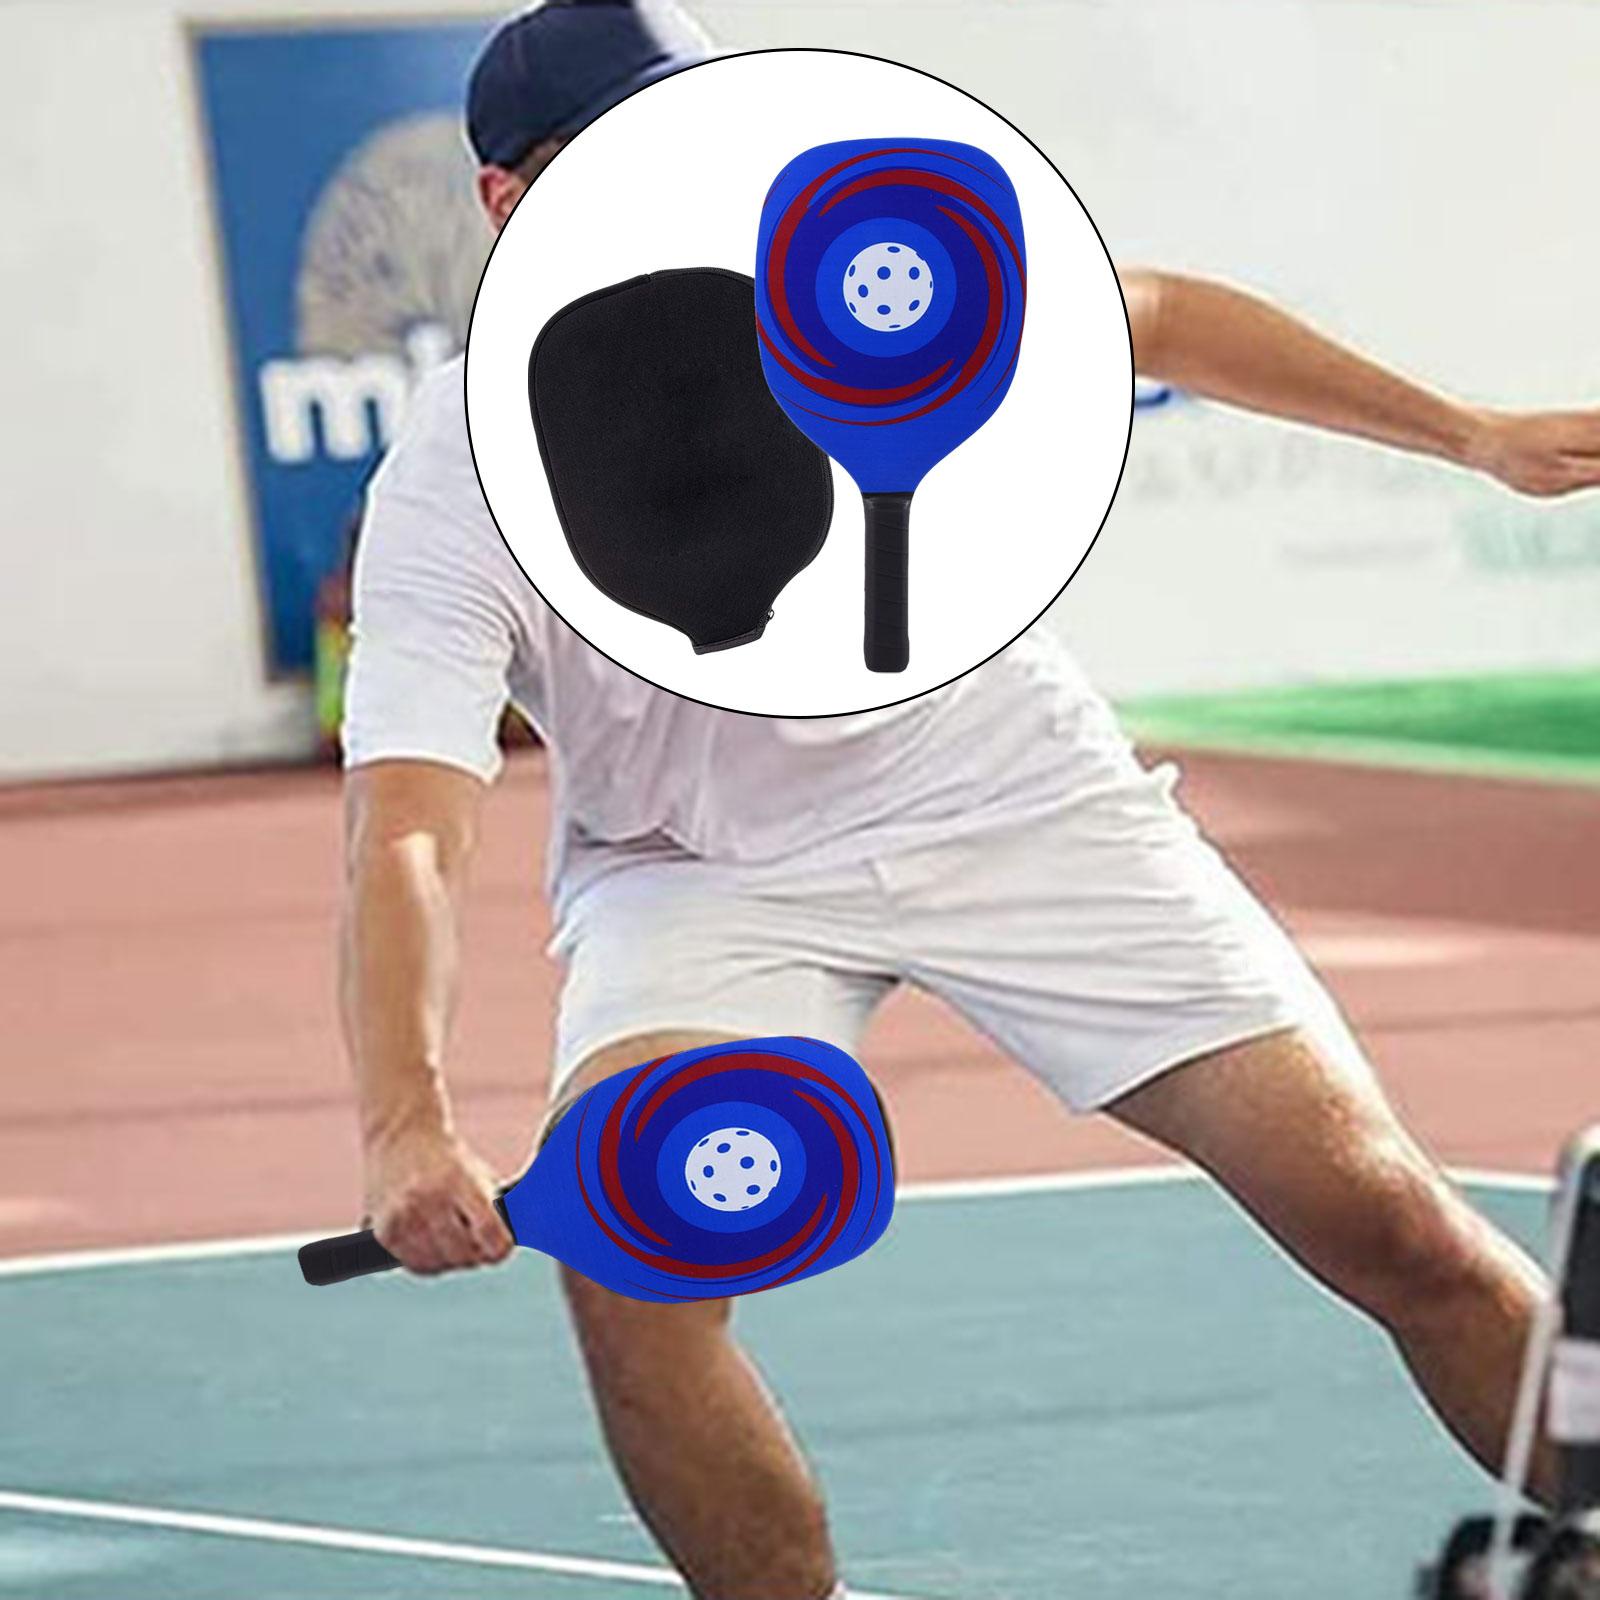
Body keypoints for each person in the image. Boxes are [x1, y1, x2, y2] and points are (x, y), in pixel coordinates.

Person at [339, 5, 1600, 1597]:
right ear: (508, 199)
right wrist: (404, 1120)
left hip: (1007, 790)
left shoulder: (853, 294)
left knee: (1386, 1220)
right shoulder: (454, 478)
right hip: (699, 870)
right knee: (633, 1265)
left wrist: (1472, 435)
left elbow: (1155, 317)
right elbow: (408, 828)